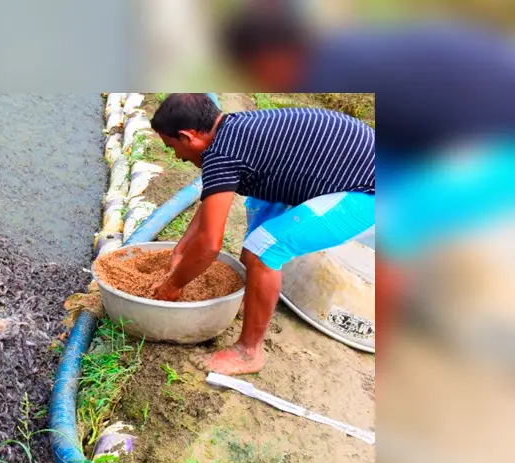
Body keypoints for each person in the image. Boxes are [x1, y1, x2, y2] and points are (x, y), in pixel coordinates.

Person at [219, 7, 515, 351]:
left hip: (492, 149)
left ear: (274, 57)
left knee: (396, 230)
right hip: (446, 123)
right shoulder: (341, 55)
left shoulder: (341, 70)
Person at [149, 93, 374, 375]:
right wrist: (180, 250)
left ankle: (248, 353)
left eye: (172, 148)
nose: (177, 158)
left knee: (263, 249)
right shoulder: (230, 129)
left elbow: (210, 245)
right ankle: (251, 294)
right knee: (258, 203)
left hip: (370, 193)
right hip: (341, 172)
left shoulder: (222, 154)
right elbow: (212, 202)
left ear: (187, 137)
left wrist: (171, 287)